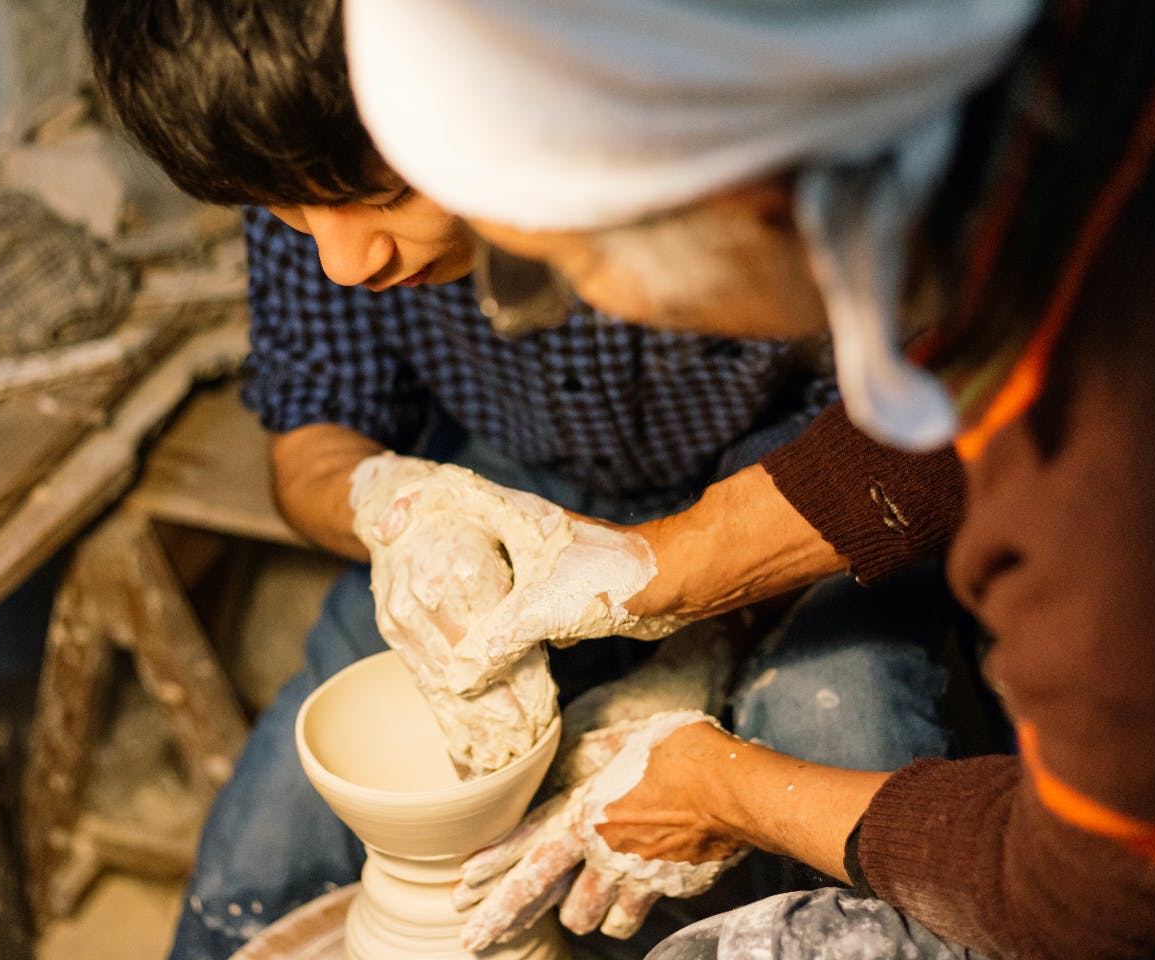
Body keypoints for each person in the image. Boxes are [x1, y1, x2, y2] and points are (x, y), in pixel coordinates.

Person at [342, 0, 1155, 958]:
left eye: (567, 264)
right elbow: (942, 404)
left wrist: (722, 790)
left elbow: (1125, 902)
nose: (581, 305)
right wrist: (662, 567)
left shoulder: (1129, 495)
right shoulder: (1118, 76)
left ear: (752, 197)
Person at [81, 1, 978, 956]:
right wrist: (401, 511)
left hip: (795, 467)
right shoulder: (296, 138)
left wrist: (694, 631)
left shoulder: (677, 121)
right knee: (267, 848)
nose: (345, 262)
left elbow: (917, 431)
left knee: (841, 730)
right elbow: (311, 438)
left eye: (380, 197)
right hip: (506, 480)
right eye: (288, 214)